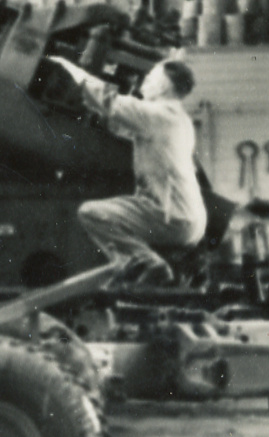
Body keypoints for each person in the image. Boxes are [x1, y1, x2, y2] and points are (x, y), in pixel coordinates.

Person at [50, 55, 206, 286]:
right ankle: (133, 269)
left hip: (170, 216)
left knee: (92, 212)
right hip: (187, 219)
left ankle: (146, 263)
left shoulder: (158, 114)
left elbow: (109, 101)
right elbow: (123, 126)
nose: (145, 81)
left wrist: (71, 68)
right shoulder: (179, 119)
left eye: (151, 77)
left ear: (164, 86)